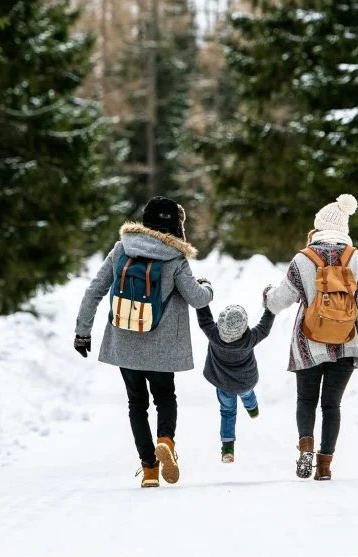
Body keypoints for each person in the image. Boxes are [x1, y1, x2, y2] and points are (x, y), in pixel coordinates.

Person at [73, 196, 214, 488]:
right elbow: (197, 298)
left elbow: (94, 291)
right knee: (165, 398)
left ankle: (149, 470)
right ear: (175, 224)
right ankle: (166, 441)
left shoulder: (122, 249)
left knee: (136, 403)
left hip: (125, 342)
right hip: (163, 347)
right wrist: (207, 286)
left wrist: (82, 332)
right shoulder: (175, 257)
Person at [265, 193, 358, 481]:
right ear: (344, 229)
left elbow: (280, 300)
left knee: (306, 400)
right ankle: (324, 466)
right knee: (331, 405)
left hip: (307, 343)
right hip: (347, 342)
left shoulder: (303, 258)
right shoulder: (356, 258)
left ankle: (305, 447)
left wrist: (267, 298)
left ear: (319, 227)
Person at [196, 297, 275, 463]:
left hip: (223, 384)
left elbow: (204, 319)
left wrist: (201, 294)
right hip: (246, 382)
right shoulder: (249, 339)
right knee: (248, 396)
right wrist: (270, 307)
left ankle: (227, 449)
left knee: (227, 412)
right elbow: (265, 328)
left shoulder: (213, 335)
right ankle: (253, 410)